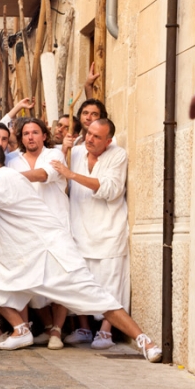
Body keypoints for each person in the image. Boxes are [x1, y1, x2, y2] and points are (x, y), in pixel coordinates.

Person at [0, 142, 161, 362]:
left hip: (52, 255)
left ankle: (146, 343)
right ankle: (21, 331)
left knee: (97, 299)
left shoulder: (2, 177)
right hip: (23, 260)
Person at [51, 119, 130, 350]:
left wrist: (72, 175)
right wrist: (64, 148)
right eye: (89, 133)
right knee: (81, 279)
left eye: (97, 137)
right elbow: (53, 168)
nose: (90, 139)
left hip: (108, 227)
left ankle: (106, 331)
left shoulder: (118, 155)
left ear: (108, 140)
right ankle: (84, 328)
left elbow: (111, 189)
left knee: (110, 280)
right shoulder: (75, 152)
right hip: (79, 226)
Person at [6, 118, 70, 349]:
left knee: (61, 278)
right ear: (21, 138)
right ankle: (42, 327)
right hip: (25, 229)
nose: (30, 137)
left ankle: (57, 331)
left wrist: (9, 178)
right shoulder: (12, 160)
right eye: (25, 133)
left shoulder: (55, 155)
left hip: (56, 225)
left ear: (44, 135)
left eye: (35, 132)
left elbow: (43, 175)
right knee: (31, 282)